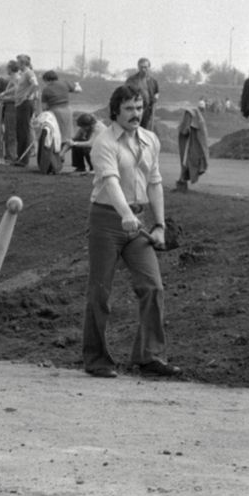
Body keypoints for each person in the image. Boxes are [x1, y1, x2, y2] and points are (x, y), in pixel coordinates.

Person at [81, 86, 182, 379]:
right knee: (100, 292)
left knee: (153, 287)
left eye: (139, 108)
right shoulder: (104, 142)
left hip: (137, 222)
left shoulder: (150, 140)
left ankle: (150, 356)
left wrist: (160, 225)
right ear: (116, 110)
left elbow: (154, 182)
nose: (135, 114)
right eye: (129, 109)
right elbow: (110, 182)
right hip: (107, 219)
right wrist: (125, 214)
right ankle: (96, 359)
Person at [39, 69, 79, 148]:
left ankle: (57, 152)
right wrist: (77, 84)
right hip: (68, 110)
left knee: (57, 133)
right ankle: (63, 152)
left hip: (55, 112)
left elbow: (44, 107)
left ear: (47, 80)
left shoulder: (46, 89)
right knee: (67, 134)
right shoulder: (65, 83)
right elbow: (78, 90)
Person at [13, 54, 39, 165]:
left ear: (23, 63)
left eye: (18, 62)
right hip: (19, 104)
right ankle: (20, 156)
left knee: (24, 131)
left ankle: (24, 159)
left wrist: (27, 95)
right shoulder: (22, 74)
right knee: (20, 131)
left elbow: (35, 84)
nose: (16, 64)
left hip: (25, 104)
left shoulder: (29, 72)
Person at [125, 57, 161, 129]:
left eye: (145, 67)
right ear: (138, 67)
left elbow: (157, 92)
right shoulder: (132, 80)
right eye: (141, 67)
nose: (143, 69)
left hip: (147, 110)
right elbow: (125, 93)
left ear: (149, 67)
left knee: (144, 129)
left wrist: (156, 96)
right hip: (134, 110)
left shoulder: (153, 81)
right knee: (133, 129)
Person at [0, 59, 20, 162]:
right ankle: (8, 154)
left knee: (11, 132)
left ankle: (12, 155)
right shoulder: (12, 79)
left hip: (12, 107)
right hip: (8, 107)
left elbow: (17, 95)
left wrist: (4, 98)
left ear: (10, 68)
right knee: (8, 132)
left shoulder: (16, 78)